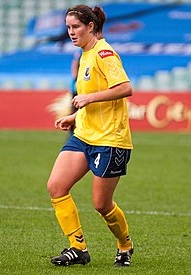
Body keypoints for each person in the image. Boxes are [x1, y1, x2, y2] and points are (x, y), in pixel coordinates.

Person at [47, 4, 134, 267]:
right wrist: (74, 117)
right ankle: (78, 248)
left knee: (102, 204)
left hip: (109, 140)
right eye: (68, 28)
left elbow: (126, 88)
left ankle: (125, 245)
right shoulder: (84, 54)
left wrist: (88, 98)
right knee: (56, 186)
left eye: (76, 27)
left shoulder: (104, 53)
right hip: (84, 135)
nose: (71, 33)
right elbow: (94, 102)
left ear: (91, 27)